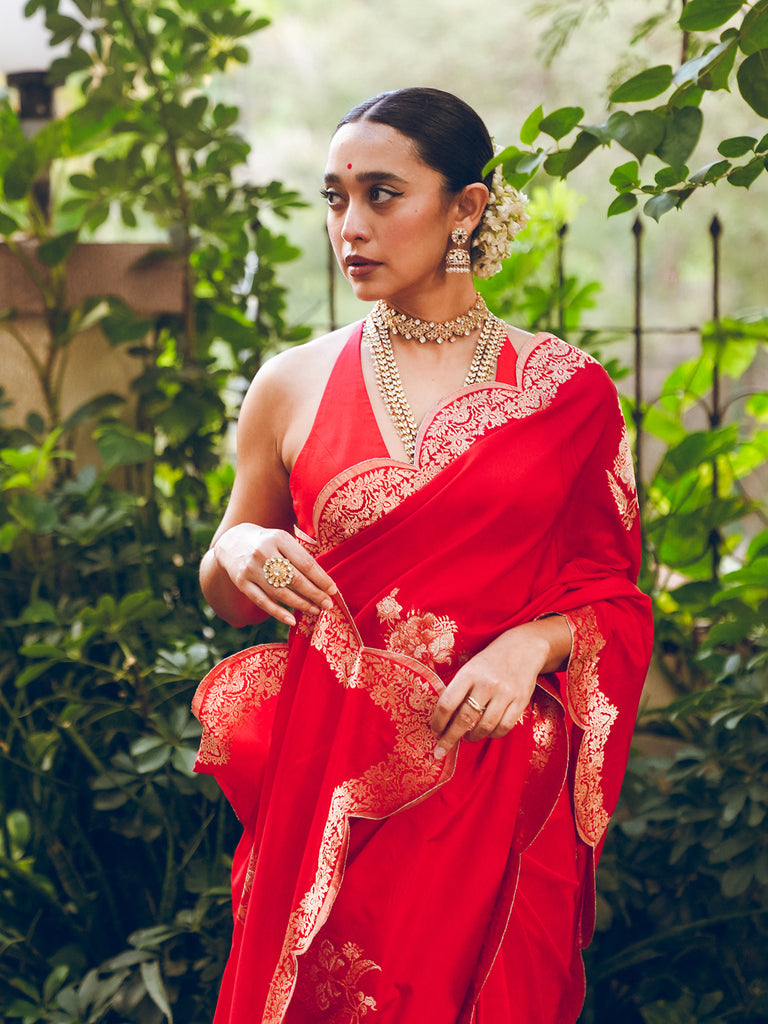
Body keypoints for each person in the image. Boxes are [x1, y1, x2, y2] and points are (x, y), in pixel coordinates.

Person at [192, 87, 654, 1024]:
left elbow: (615, 594)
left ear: (467, 207)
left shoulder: (568, 394)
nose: (349, 226)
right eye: (334, 198)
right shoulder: (291, 383)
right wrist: (240, 546)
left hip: (493, 780)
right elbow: (229, 589)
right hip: (333, 789)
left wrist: (530, 646)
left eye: (382, 195)